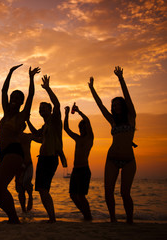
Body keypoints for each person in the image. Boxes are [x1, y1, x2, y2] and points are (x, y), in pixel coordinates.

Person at [0, 64, 40, 224]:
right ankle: (12, 216)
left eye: (18, 98)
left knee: (1, 187)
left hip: (14, 152)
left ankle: (14, 218)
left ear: (21, 103)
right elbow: (3, 91)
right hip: (2, 154)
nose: (14, 100)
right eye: (13, 97)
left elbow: (31, 95)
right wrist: (10, 72)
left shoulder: (21, 116)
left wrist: (31, 78)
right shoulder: (5, 113)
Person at [88, 66, 137, 224]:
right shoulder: (113, 121)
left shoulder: (131, 117)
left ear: (122, 106)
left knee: (124, 193)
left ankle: (130, 220)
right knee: (108, 191)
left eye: (118, 105)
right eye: (114, 105)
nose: (116, 107)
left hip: (129, 160)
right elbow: (100, 105)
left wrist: (121, 79)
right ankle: (113, 219)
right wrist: (92, 89)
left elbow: (128, 98)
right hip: (112, 159)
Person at [27, 75, 67, 223]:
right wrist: (27, 120)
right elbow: (36, 135)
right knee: (42, 191)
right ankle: (52, 218)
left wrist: (48, 88)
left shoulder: (55, 121)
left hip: (50, 159)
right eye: (40, 108)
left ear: (50, 111)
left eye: (45, 108)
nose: (42, 110)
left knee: (43, 190)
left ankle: (52, 218)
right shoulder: (45, 127)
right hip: (43, 160)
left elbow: (57, 104)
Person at [64, 104, 93, 220]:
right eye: (81, 127)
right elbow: (66, 129)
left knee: (81, 196)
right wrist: (66, 115)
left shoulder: (89, 138)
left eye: (84, 127)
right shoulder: (78, 138)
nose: (82, 129)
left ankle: (88, 216)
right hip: (75, 170)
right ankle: (86, 215)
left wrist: (79, 111)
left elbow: (88, 121)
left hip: (84, 170)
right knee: (73, 195)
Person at [15, 124, 35, 213]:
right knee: (20, 188)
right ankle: (23, 210)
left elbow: (40, 139)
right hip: (18, 165)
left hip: (28, 163)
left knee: (27, 183)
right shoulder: (13, 138)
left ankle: (30, 197)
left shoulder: (28, 136)